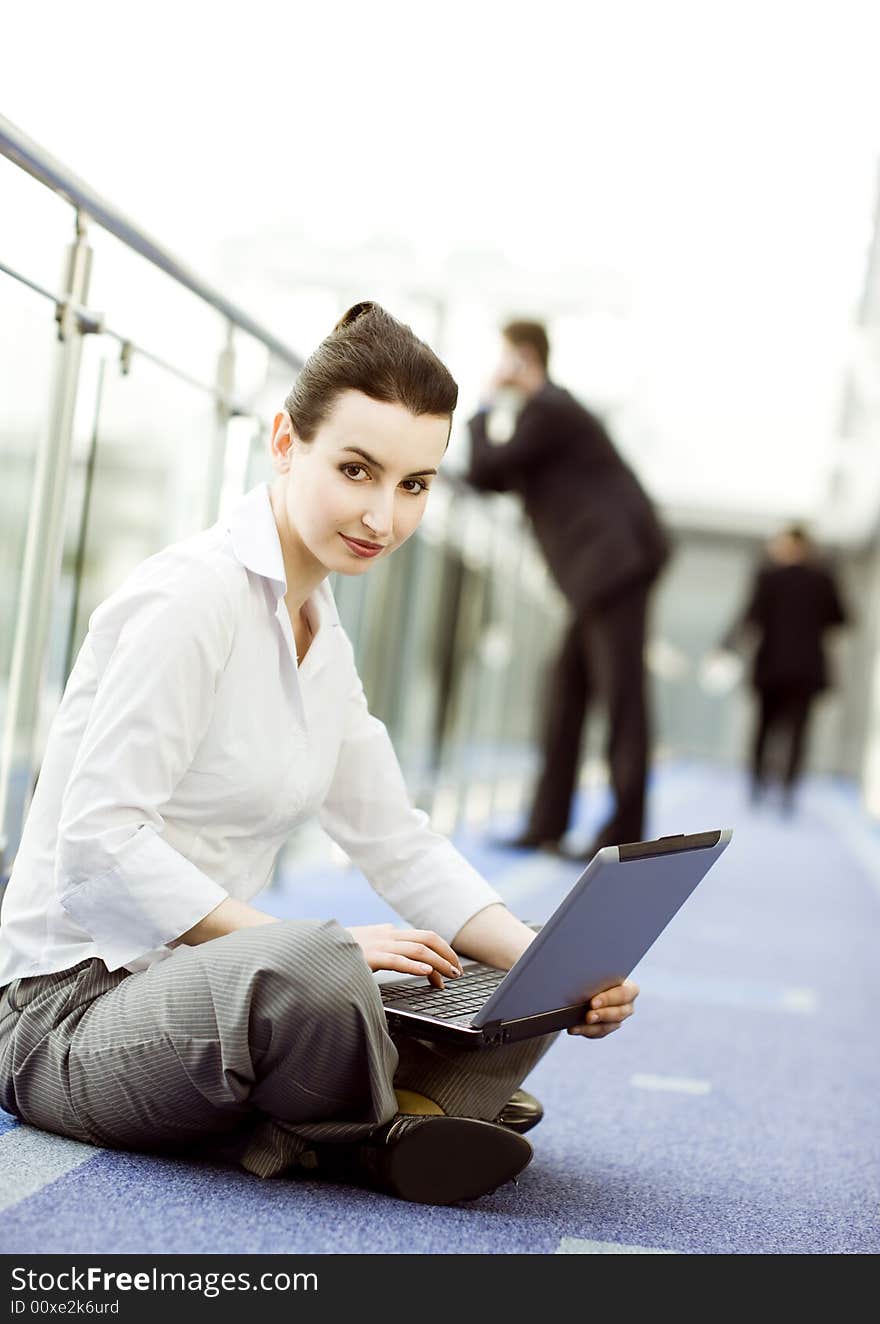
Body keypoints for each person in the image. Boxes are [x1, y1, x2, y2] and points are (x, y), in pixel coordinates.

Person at [0, 303, 639, 1208]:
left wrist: (550, 964)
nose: (384, 516)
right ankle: (383, 1125)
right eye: (356, 471)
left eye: (414, 485)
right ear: (284, 441)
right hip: (68, 1016)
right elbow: (100, 851)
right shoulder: (193, 601)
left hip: (205, 995)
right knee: (315, 969)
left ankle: (377, 1094)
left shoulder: (321, 637)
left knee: (498, 975)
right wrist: (317, 948)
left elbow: (400, 842)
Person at [466, 320, 670, 858]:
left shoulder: (550, 411)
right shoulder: (548, 418)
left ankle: (624, 835)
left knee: (622, 700)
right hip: (597, 576)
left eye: (506, 357)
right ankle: (546, 824)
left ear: (524, 359)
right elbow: (490, 479)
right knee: (566, 693)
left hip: (613, 568)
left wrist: (486, 406)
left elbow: (487, 468)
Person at [716, 523, 850, 811]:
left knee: (764, 728)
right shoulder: (822, 579)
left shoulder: (769, 576)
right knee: (798, 733)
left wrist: (725, 645)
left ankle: (758, 784)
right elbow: (841, 619)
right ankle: (787, 789)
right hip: (805, 670)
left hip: (772, 668)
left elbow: (750, 617)